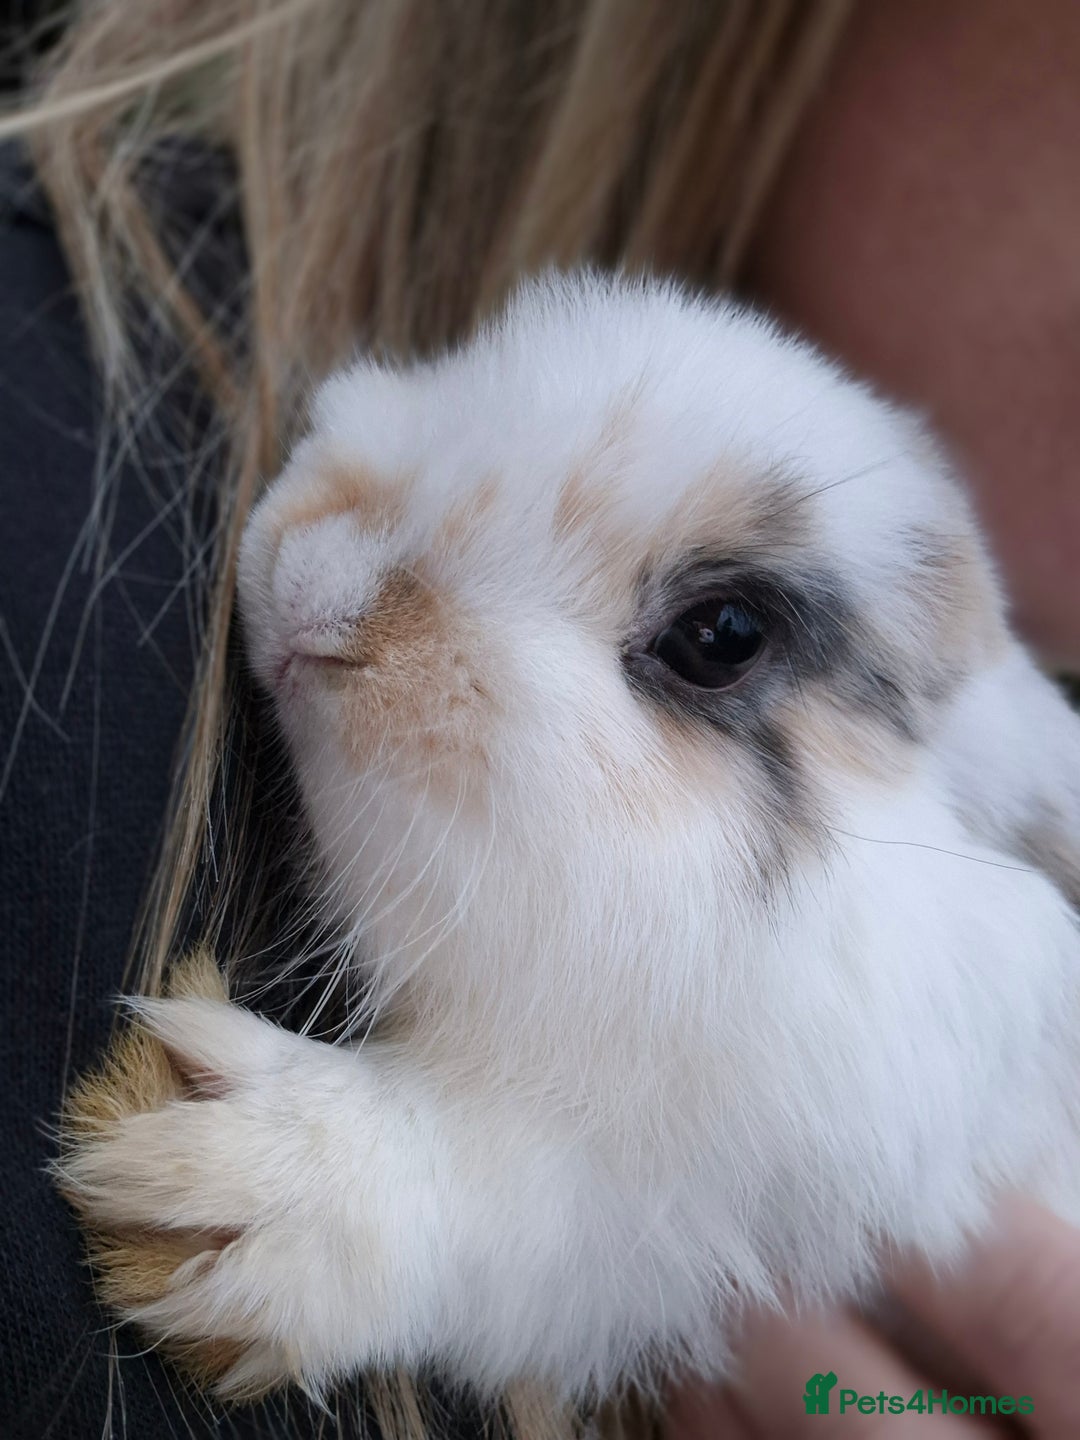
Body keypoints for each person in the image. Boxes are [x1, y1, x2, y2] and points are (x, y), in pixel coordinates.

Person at [1, 2, 1076, 1437]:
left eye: (715, 638)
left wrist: (428, 1205)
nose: (331, 572)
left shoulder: (935, 957)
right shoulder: (65, 502)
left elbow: (717, 1181)